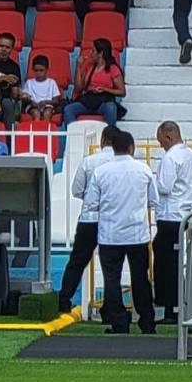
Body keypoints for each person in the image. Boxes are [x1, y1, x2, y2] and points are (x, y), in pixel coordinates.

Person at [83, 130, 158, 334]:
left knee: (111, 280)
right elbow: (154, 200)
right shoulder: (143, 170)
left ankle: (119, 323)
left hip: (110, 234)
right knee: (141, 279)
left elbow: (90, 203)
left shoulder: (101, 172)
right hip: (137, 234)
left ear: (112, 148)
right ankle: (147, 322)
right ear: (131, 148)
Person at [57, 125, 119, 313]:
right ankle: (111, 306)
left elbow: (76, 190)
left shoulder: (89, 161)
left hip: (89, 218)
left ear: (103, 141)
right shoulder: (122, 164)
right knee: (112, 265)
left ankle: (64, 299)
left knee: (77, 260)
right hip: (113, 218)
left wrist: (91, 197)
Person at [152, 121, 192, 324]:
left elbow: (164, 186)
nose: (161, 145)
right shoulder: (191, 154)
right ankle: (178, 304)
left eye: (161, 141)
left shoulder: (171, 157)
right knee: (175, 263)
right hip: (184, 213)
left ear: (168, 137)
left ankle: (171, 308)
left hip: (170, 214)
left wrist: (152, 180)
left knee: (166, 264)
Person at [63, 38, 125, 126]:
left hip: (103, 101)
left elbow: (122, 92)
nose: (90, 53)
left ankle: (108, 137)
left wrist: (105, 89)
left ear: (101, 53)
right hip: (88, 101)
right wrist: (78, 66)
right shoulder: (89, 66)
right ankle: (74, 137)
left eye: (93, 51)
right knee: (68, 109)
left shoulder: (113, 69)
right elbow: (78, 88)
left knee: (111, 108)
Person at [21, 55, 64, 122]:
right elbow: (25, 98)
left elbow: (56, 101)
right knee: (36, 113)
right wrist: (31, 101)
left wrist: (45, 102)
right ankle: (36, 131)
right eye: (36, 70)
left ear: (47, 69)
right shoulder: (29, 82)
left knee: (47, 113)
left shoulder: (52, 82)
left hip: (48, 105)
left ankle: (45, 131)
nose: (38, 73)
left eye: (41, 70)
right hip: (33, 106)